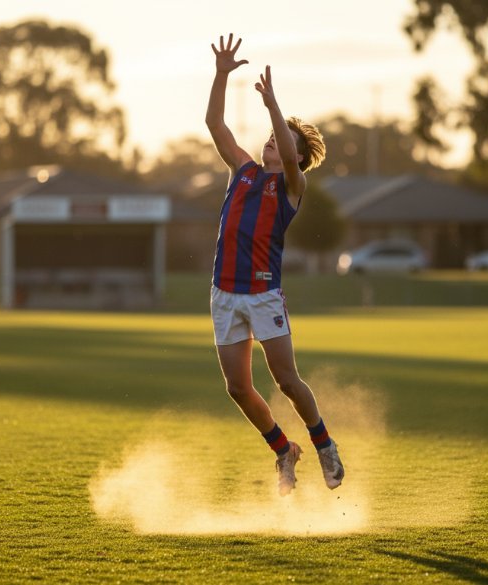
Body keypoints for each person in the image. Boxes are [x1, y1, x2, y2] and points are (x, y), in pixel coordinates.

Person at [205, 33, 343, 496]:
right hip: (225, 293)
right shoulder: (241, 170)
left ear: (300, 160)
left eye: (278, 141)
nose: (269, 144)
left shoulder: (291, 185)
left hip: (263, 294)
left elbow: (287, 152)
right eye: (267, 138)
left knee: (286, 380)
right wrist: (222, 75)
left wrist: (272, 107)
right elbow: (215, 124)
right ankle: (285, 450)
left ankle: (323, 444)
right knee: (237, 388)